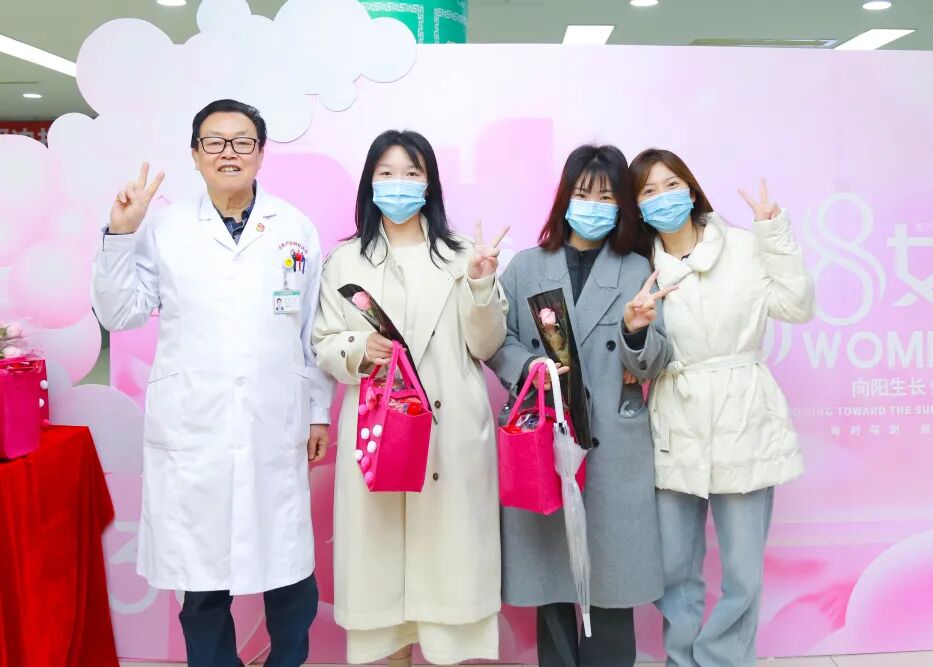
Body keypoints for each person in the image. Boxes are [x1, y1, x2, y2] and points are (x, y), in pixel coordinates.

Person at [91, 99, 334, 667]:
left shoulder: (294, 228)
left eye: (242, 142)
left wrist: (317, 412)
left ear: (260, 153)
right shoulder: (167, 228)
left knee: (288, 574)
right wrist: (120, 235)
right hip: (194, 426)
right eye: (215, 142)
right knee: (201, 581)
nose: (229, 153)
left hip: (273, 420)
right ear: (196, 154)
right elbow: (119, 312)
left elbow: (310, 331)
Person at [312, 130, 508, 666]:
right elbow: (324, 342)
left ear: (429, 184)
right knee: (382, 581)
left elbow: (486, 344)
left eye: (411, 173)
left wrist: (481, 287)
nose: (399, 184)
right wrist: (358, 348)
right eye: (387, 173)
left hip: (450, 431)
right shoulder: (345, 260)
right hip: (378, 432)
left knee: (449, 578)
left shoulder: (464, 255)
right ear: (370, 183)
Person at [485, 144, 674, 667]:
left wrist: (635, 333)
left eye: (607, 196)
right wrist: (530, 367)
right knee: (552, 583)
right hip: (545, 438)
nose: (594, 206)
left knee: (610, 584)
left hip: (613, 446)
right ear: (565, 197)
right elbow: (497, 342)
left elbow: (656, 361)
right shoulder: (526, 267)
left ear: (622, 206)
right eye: (584, 193)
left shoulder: (637, 268)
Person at [628, 148, 815, 667]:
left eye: (671, 185)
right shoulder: (639, 267)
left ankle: (721, 660)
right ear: (637, 207)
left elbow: (798, 306)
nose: (663, 198)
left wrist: (774, 234)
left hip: (744, 414)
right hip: (676, 415)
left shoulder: (745, 246)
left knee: (742, 570)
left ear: (691, 189)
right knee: (674, 567)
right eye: (648, 191)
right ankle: (681, 659)